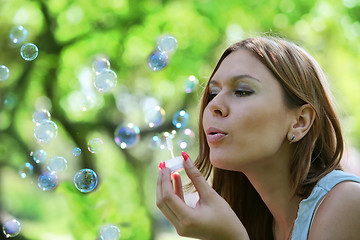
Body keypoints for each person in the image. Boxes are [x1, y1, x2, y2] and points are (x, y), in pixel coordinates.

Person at [156, 36, 360, 240]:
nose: (213, 106)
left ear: (300, 122)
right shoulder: (253, 218)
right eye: (213, 93)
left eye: (242, 91)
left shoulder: (347, 202)